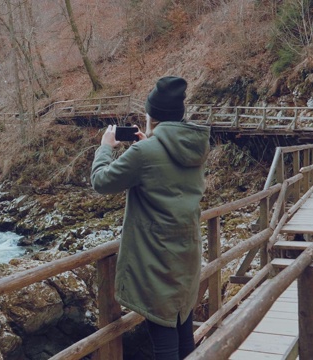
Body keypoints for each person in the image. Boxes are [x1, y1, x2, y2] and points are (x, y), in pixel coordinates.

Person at [90, 76, 210, 360]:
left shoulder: (144, 152)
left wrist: (106, 146)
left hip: (157, 261)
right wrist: (149, 143)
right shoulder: (194, 147)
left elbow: (101, 181)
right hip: (186, 255)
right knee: (182, 330)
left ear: (152, 115)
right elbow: (166, 173)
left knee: (163, 337)